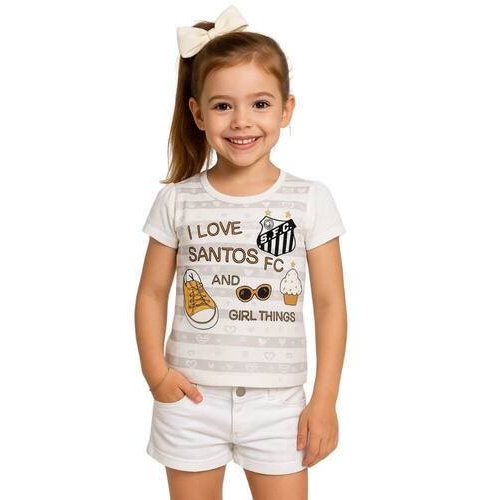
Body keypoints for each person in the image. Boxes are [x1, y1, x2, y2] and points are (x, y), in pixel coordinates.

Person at [134, 5, 347, 499]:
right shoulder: (177, 200)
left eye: (260, 103)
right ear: (198, 113)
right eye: (223, 106)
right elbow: (151, 294)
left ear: (286, 110)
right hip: (190, 401)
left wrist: (325, 400)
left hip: (280, 408)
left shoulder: (310, 200)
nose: (241, 121)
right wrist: (156, 375)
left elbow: (330, 303)